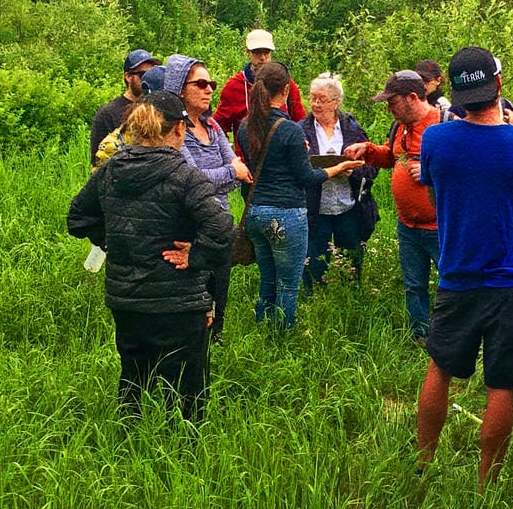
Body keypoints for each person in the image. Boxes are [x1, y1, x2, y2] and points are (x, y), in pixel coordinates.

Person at [416, 46, 513, 491]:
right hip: (510, 281)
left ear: (455, 93)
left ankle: (423, 462)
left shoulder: (435, 139)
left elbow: (434, 196)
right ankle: (486, 483)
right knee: (502, 383)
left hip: (457, 276)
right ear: (499, 87)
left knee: (440, 367)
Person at [67, 91, 234, 421]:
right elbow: (223, 227)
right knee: (188, 391)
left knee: (133, 379)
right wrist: (195, 256)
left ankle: (128, 446)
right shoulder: (185, 176)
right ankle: (184, 454)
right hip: (179, 299)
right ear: (177, 130)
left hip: (126, 299)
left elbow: (78, 218)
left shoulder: (110, 169)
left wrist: (114, 241)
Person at [236, 61, 361, 330]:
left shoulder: (246, 127)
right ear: (285, 90)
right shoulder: (290, 129)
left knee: (267, 279)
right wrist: (337, 167)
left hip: (255, 211)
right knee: (288, 285)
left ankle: (262, 330)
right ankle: (283, 335)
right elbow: (306, 178)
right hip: (286, 213)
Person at [345, 70, 442, 344]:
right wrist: (368, 150)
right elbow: (392, 156)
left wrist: (429, 171)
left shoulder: (444, 126)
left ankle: (456, 336)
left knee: (452, 283)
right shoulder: (400, 127)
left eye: (392, 101)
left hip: (440, 226)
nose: (388, 108)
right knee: (414, 285)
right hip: (408, 226)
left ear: (413, 97)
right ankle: (420, 336)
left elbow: (467, 168)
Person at [164, 54, 252, 342]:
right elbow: (194, 179)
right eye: (200, 83)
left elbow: (234, 167)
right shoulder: (175, 130)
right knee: (197, 290)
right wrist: (229, 173)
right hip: (190, 226)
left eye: (211, 83)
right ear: (180, 89)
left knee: (221, 285)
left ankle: (218, 341)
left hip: (219, 223)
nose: (209, 89)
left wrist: (225, 174)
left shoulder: (212, 126)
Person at [298, 72, 378, 292]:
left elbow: (372, 166)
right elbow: (293, 169)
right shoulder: (300, 130)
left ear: (336, 102)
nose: (315, 104)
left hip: (348, 208)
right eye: (312, 98)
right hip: (315, 210)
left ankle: (350, 303)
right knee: (314, 266)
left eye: (322, 99)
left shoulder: (352, 129)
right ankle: (315, 304)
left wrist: (352, 173)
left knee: (351, 264)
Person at [214, 29, 306, 156]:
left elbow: (300, 121)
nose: (262, 58)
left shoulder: (286, 84)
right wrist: (230, 157)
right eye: (257, 52)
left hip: (283, 163)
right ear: (247, 51)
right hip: (248, 165)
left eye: (266, 52)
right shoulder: (233, 87)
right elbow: (218, 128)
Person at [89, 49, 160, 163]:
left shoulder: (157, 107)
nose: (148, 79)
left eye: (152, 74)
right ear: (128, 76)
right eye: (143, 74)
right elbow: (98, 159)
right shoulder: (108, 113)